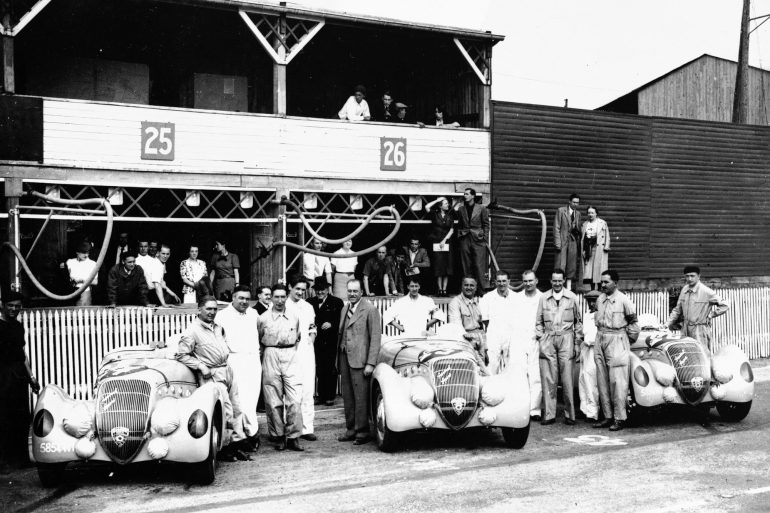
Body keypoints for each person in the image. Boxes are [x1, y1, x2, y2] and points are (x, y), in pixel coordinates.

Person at [176, 296, 249, 461]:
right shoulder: (192, 330)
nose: (212, 312)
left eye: (215, 309)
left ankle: (236, 444)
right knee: (226, 411)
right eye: (208, 309)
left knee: (237, 408)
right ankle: (225, 448)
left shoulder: (218, 327)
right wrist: (200, 366)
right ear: (199, 309)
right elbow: (181, 355)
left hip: (226, 370)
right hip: (212, 374)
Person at [215, 285, 262, 452]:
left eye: (247, 299)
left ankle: (252, 431)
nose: (244, 301)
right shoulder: (222, 316)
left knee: (252, 398)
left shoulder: (253, 314)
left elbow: (260, 332)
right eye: (240, 298)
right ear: (233, 298)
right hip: (234, 359)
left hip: (253, 359)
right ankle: (240, 436)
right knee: (238, 401)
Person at [258, 284, 304, 452]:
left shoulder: (294, 316)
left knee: (295, 399)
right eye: (276, 297)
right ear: (271, 298)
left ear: (286, 297)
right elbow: (259, 339)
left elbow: (298, 337)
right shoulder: (262, 318)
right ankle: (278, 436)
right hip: (270, 355)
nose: (279, 300)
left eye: (282, 296)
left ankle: (293, 436)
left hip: (290, 355)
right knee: (273, 400)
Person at [592, 270, 640, 431]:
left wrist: (625, 342)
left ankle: (620, 418)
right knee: (602, 380)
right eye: (602, 282)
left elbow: (634, 325)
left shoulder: (624, 300)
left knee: (618, 381)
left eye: (606, 282)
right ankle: (607, 416)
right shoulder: (600, 299)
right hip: (600, 338)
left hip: (617, 339)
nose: (603, 285)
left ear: (615, 283)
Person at [535, 268, 582, 426]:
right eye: (554, 280)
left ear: (563, 281)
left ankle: (570, 415)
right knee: (549, 378)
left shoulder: (572, 297)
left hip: (566, 338)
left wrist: (576, 343)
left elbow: (578, 323)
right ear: (551, 281)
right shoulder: (543, 298)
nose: (557, 283)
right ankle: (549, 414)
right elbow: (539, 321)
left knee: (567, 378)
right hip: (548, 338)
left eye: (559, 280)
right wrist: (542, 338)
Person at [337, 279, 381, 445]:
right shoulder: (344, 308)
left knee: (361, 397)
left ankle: (362, 432)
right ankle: (351, 430)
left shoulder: (370, 310)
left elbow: (375, 338)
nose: (352, 294)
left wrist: (371, 363)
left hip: (361, 361)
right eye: (350, 291)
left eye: (355, 291)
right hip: (344, 358)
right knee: (347, 397)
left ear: (362, 292)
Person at [0, 291, 40, 471]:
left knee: (21, 416)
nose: (14, 309)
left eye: (17, 306)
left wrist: (31, 377)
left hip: (18, 375)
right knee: (3, 417)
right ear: (3, 305)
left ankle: (21, 459)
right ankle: (3, 461)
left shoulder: (18, 327)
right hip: (2, 374)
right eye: (10, 305)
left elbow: (22, 355)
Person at [666, 265, 729, 351]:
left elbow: (725, 305)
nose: (689, 279)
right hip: (685, 329)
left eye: (692, 276)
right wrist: (667, 324)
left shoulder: (706, 291)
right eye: (687, 276)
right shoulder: (684, 290)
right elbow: (677, 310)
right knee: (686, 354)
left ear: (699, 276)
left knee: (702, 354)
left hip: (699, 329)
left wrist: (711, 315)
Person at [286, 277, 318, 442]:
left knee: (307, 388)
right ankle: (291, 428)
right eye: (297, 288)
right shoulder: (281, 305)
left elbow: (312, 326)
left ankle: (307, 428)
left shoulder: (308, 306)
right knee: (291, 391)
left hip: (306, 351)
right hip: (288, 352)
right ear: (290, 287)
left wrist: (311, 339)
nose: (299, 292)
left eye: (302, 290)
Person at [512, 270, 544, 421]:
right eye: (525, 281)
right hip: (519, 339)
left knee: (535, 375)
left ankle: (535, 409)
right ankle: (520, 407)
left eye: (531, 280)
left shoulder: (542, 297)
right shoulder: (516, 298)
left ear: (536, 281)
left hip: (536, 340)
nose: (528, 284)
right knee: (519, 375)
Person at [307, 276, 344, 406]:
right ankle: (321, 396)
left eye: (322, 289)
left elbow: (341, 320)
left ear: (328, 289)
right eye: (317, 290)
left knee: (330, 368)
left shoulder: (337, 302)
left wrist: (332, 324)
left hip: (331, 341)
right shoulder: (309, 302)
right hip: (315, 341)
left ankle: (330, 396)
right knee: (318, 368)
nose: (320, 292)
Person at [447, 276, 489, 374]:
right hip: (466, 340)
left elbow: (485, 324)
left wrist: (485, 346)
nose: (468, 288)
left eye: (471, 285)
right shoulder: (455, 302)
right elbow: (456, 327)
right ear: (462, 286)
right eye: (466, 285)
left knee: (483, 371)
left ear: (476, 287)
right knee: (469, 371)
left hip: (481, 339)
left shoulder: (479, 302)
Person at [480, 270, 518, 374]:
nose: (502, 284)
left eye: (504, 281)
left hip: (511, 336)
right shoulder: (488, 298)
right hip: (494, 335)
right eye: (499, 281)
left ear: (508, 281)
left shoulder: (516, 298)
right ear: (495, 282)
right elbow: (485, 320)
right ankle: (490, 388)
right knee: (492, 365)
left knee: (511, 365)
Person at [455, 188, 490, 292]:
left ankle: (481, 290)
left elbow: (486, 224)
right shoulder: (461, 209)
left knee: (479, 265)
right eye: (464, 194)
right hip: (465, 238)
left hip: (478, 240)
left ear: (473, 196)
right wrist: (460, 235)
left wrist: (485, 238)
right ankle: (468, 290)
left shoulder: (481, 208)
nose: (465, 196)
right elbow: (460, 224)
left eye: (467, 194)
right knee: (466, 265)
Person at [424, 197, 455, 296]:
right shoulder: (434, 214)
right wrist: (437, 200)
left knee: (447, 267)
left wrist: (445, 240)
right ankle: (439, 289)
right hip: (436, 243)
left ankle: (445, 290)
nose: (447, 205)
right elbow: (427, 206)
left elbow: (451, 230)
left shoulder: (450, 216)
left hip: (446, 243)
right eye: (445, 203)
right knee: (438, 266)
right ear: (440, 206)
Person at [578, 290, 601, 423]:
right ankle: (584, 409)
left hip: (594, 349)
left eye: (594, 301)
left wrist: (586, 340)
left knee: (591, 381)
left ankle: (593, 412)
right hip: (585, 349)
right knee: (582, 379)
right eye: (589, 301)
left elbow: (595, 337)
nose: (591, 303)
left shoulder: (600, 315)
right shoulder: (587, 314)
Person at [554, 193, 582, 291]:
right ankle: (558, 287)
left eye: (577, 203)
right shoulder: (561, 211)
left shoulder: (578, 214)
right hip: (562, 241)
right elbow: (556, 227)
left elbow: (579, 229)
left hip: (573, 242)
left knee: (571, 265)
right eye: (574, 202)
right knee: (561, 264)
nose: (575, 204)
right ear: (569, 201)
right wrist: (557, 243)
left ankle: (569, 288)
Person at [581, 206, 610, 290]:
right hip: (589, 249)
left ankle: (601, 289)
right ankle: (592, 289)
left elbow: (607, 235)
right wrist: (583, 249)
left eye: (592, 213)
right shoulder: (585, 224)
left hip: (599, 248)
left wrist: (606, 246)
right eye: (589, 213)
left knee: (599, 269)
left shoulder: (602, 223)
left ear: (596, 213)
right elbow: (583, 238)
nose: (590, 215)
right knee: (590, 270)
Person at [66, 241, 98, 306]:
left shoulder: (92, 264)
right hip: (70, 293)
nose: (86, 255)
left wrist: (82, 280)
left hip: (84, 293)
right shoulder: (70, 262)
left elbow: (95, 282)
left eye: (87, 253)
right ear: (77, 252)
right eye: (83, 253)